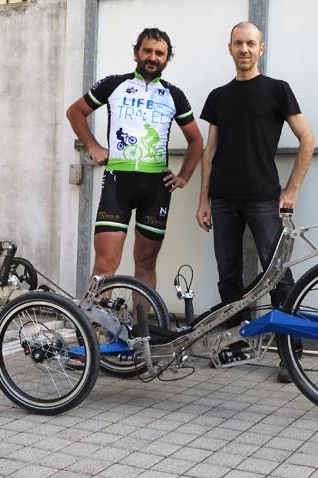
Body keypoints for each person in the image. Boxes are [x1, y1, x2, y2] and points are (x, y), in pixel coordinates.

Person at [197, 21, 315, 382]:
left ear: (260, 49)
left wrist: (291, 189)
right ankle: (236, 344)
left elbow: (307, 140)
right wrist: (203, 199)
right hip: (223, 199)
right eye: (238, 43)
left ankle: (290, 355)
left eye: (251, 43)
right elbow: (210, 150)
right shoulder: (218, 96)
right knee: (228, 275)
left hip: (265, 197)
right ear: (229, 48)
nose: (244, 49)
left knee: (277, 275)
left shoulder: (278, 90)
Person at [66, 28, 203, 290]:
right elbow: (75, 112)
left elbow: (196, 141)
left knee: (145, 264)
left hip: (156, 188)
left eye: (159, 53)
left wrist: (184, 176)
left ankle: (142, 330)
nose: (153, 57)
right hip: (118, 182)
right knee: (105, 264)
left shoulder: (174, 94)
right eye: (147, 50)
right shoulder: (114, 84)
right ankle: (95, 329)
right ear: (136, 53)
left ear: (167, 58)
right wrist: (93, 146)